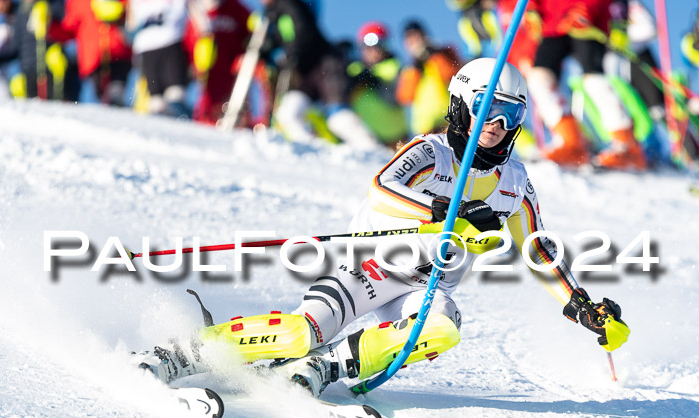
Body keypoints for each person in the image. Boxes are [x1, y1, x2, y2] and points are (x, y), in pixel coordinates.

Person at [135, 58, 630, 397]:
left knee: (440, 326)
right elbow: (382, 188)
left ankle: (326, 369)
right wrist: (447, 215)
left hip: (422, 284)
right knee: (300, 332)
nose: (496, 125)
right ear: (461, 106)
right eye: (486, 109)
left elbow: (538, 250)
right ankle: (184, 352)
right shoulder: (430, 151)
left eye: (509, 114)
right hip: (369, 266)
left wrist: (579, 304)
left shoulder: (514, 183)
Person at [524, 0, 647, 169]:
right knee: (538, 78)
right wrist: (531, 8)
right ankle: (571, 143)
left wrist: (587, 7)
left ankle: (627, 145)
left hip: (587, 20)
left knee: (594, 80)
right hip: (552, 22)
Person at [261, 0, 379, 149]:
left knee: (338, 117)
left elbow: (303, 29)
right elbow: (281, 40)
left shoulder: (289, 4)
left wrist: (291, 52)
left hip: (327, 66)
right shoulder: (271, 16)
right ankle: (310, 150)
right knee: (288, 113)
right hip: (307, 73)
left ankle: (373, 151)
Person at [346, 21, 408, 146]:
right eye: (367, 46)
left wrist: (375, 82)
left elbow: (395, 99)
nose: (373, 50)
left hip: (395, 140)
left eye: (378, 45)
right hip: (362, 139)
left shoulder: (394, 67)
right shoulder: (354, 69)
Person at [396, 19, 462, 136]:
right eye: (409, 38)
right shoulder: (409, 67)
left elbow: (452, 75)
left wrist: (435, 55)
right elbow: (405, 97)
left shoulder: (444, 53)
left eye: (416, 35)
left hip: (450, 120)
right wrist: (415, 68)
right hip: (425, 128)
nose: (414, 41)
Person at [126, 0, 190, 117]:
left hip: (172, 44)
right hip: (147, 49)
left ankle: (182, 128)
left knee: (175, 96)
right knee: (156, 101)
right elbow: (130, 27)